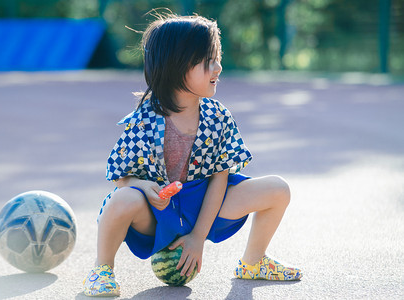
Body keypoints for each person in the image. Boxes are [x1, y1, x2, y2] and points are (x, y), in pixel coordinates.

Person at [83, 13, 302, 297]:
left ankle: (253, 261)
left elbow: (220, 178)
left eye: (217, 58)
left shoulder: (218, 115)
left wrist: (198, 237)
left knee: (277, 189)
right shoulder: (144, 119)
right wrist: (142, 187)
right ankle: (102, 270)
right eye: (208, 60)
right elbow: (121, 178)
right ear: (177, 66)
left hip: (205, 203)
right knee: (121, 199)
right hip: (157, 210)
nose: (218, 67)